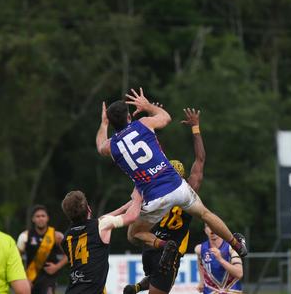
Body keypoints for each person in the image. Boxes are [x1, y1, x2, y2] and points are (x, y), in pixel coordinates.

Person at [95, 88, 247, 261]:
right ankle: (236, 245)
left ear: (112, 123)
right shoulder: (144, 123)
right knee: (206, 214)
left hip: (154, 197)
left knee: (134, 234)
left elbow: (100, 146)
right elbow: (166, 117)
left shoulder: (110, 146)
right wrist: (147, 105)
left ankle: (165, 245)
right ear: (129, 116)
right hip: (177, 185)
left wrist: (104, 124)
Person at [124, 107, 206, 294]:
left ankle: (137, 287)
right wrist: (196, 128)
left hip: (150, 244)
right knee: (161, 286)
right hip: (172, 250)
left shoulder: (154, 187)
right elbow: (200, 160)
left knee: (155, 279)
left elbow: (150, 154)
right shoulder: (188, 191)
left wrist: (151, 121)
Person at [60, 189, 142, 294]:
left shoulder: (66, 237)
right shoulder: (101, 226)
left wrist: (125, 207)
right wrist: (139, 196)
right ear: (89, 209)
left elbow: (102, 221)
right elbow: (131, 217)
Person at [17, 205, 68, 294]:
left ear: (47, 218)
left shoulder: (57, 236)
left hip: (49, 278)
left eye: (43, 216)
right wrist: (23, 278)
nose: (40, 218)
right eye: (37, 216)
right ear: (33, 219)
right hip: (30, 279)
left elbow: (69, 254)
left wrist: (57, 267)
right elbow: (16, 259)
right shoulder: (25, 236)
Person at [195, 224, 243, 293]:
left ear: (221, 229)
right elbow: (200, 262)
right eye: (208, 226)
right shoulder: (200, 249)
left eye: (215, 226)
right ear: (205, 230)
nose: (212, 229)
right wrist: (201, 281)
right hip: (210, 291)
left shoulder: (232, 248)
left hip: (232, 291)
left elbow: (239, 273)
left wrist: (220, 259)